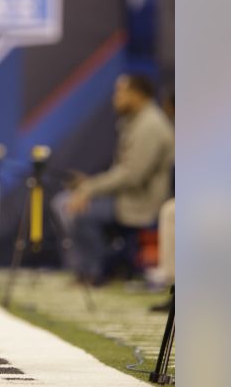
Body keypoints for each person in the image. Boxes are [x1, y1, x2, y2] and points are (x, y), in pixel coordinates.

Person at [55, 73, 175, 285]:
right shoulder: (137, 121)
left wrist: (89, 189)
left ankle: (95, 271)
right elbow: (123, 171)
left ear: (137, 95)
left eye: (121, 92)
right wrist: (86, 186)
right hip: (125, 197)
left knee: (77, 211)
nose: (115, 97)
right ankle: (85, 268)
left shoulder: (150, 126)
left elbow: (132, 176)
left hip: (139, 204)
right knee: (63, 202)